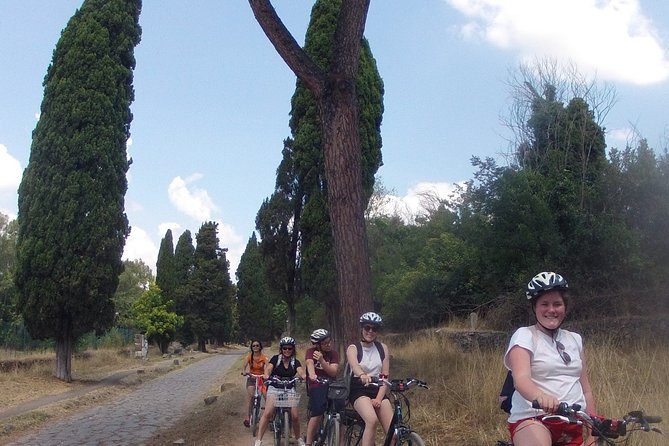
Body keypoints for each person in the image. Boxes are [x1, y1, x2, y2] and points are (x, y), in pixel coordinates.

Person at [504, 272, 597, 446]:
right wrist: (541, 397)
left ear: (565, 307)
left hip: (571, 422)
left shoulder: (574, 339)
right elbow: (521, 380)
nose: (551, 310)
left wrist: (594, 430)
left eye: (557, 304)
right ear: (535, 307)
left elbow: (586, 390)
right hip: (533, 418)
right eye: (544, 304)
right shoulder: (525, 335)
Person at [346, 312, 392, 446]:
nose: (370, 331)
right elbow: (354, 365)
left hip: (378, 388)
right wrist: (362, 375)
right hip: (359, 389)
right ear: (362, 329)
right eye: (367, 328)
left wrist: (379, 398)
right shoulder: (353, 348)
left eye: (374, 329)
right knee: (371, 420)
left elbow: (384, 376)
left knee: (393, 432)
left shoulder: (382, 348)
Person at [255, 336, 307, 446]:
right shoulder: (276, 359)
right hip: (275, 388)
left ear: (293, 349)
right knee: (268, 412)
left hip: (289, 388)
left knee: (295, 416)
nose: (287, 351)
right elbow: (269, 368)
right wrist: (266, 375)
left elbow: (301, 371)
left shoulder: (295, 362)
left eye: (289, 348)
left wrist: (303, 376)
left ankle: (298, 438)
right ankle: (258, 440)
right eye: (285, 348)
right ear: (281, 349)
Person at [304, 329, 340, 446]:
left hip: (331, 384)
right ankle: (308, 442)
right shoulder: (311, 352)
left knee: (340, 410)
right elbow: (309, 364)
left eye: (329, 342)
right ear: (318, 345)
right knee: (318, 412)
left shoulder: (334, 354)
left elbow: (333, 372)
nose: (328, 345)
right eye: (325, 343)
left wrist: (322, 360)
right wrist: (312, 374)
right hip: (317, 384)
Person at [243, 340, 268, 427]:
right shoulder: (249, 357)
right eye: (253, 346)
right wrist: (244, 372)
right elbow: (244, 365)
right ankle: (247, 417)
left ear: (260, 347)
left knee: (266, 396)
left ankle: (270, 416)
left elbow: (268, 366)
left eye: (257, 345)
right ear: (251, 347)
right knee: (250, 396)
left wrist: (267, 373)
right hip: (252, 378)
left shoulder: (264, 357)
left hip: (261, 379)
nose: (255, 347)